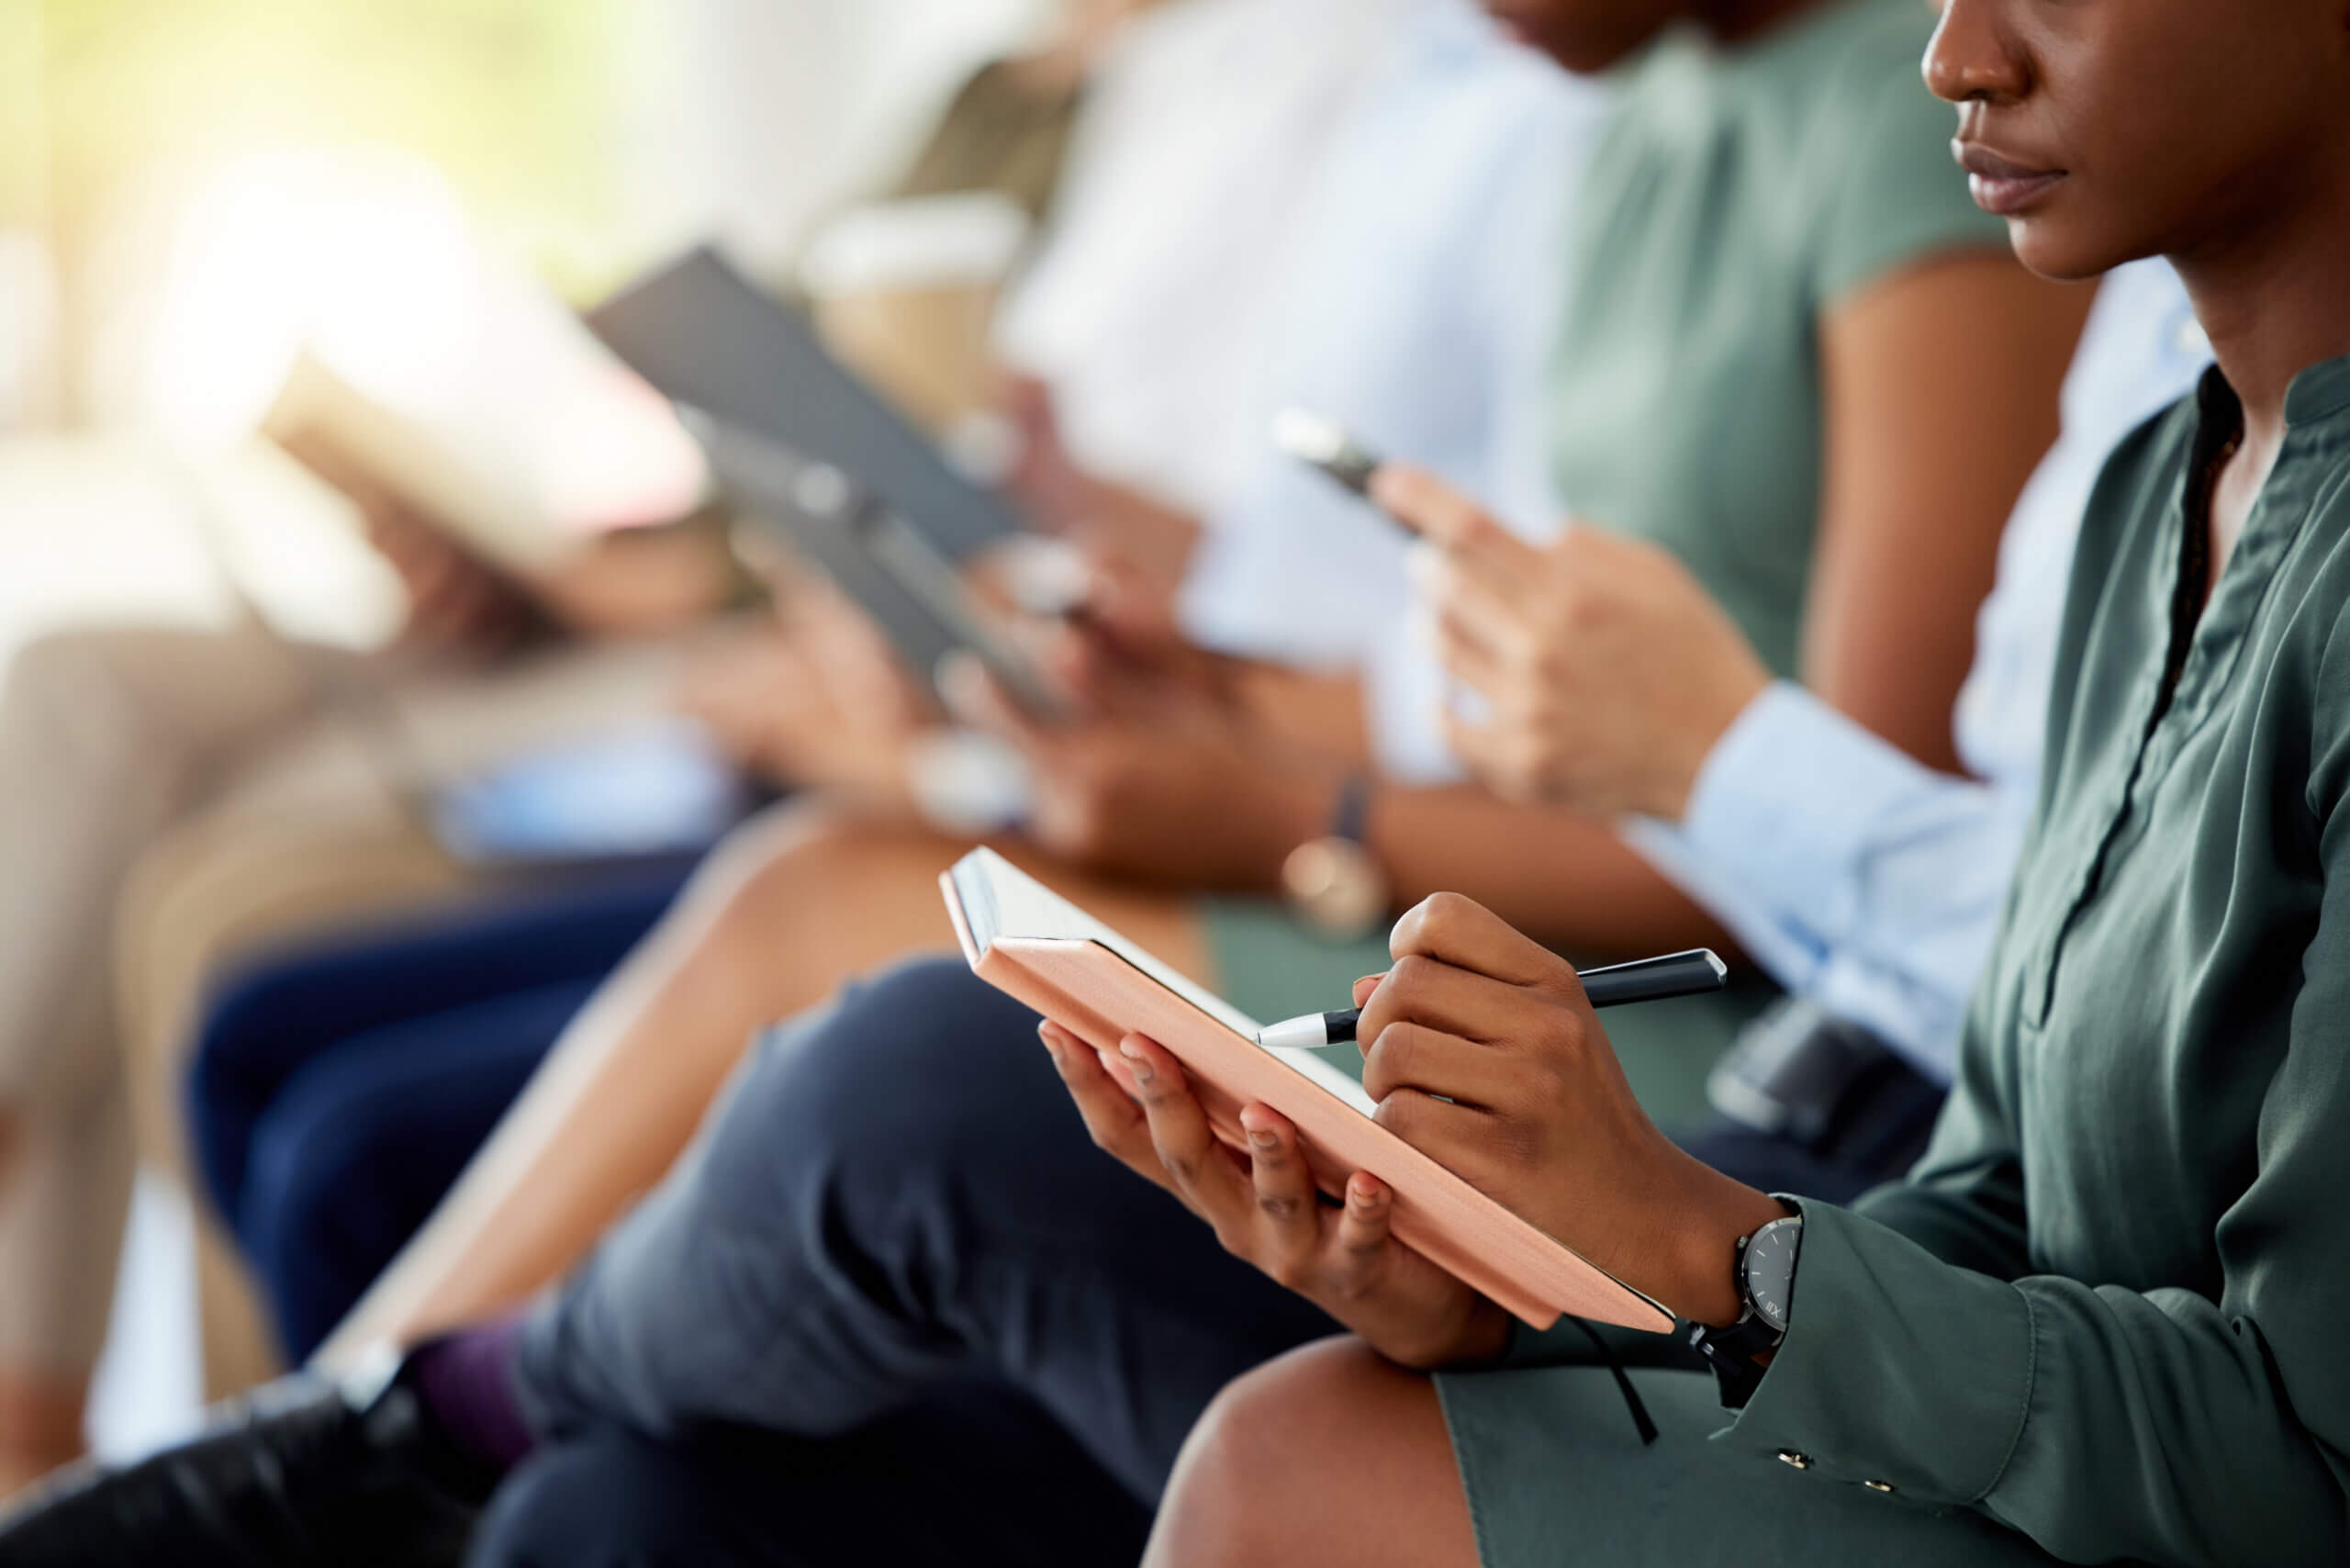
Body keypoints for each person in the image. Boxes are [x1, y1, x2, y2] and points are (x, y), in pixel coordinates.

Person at [308, 0, 2083, 1386]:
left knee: (821, 916)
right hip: (1490, 876)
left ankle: (338, 1441)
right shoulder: (1643, 117)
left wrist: (1298, 820)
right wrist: (1215, 692)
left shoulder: (1907, 113)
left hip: (1660, 1003)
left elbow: (1825, 846)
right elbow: (1508, 680)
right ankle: (378, 1432)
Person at [1065, 0, 2350, 1557]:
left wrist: (1699, 1238)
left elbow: (2304, 1462)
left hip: (2214, 1493)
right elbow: (2007, 1207)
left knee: (1283, 1467)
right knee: (1302, 1424)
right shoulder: (2160, 489)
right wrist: (1543, 1281)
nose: (1957, 57)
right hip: (2094, 1430)